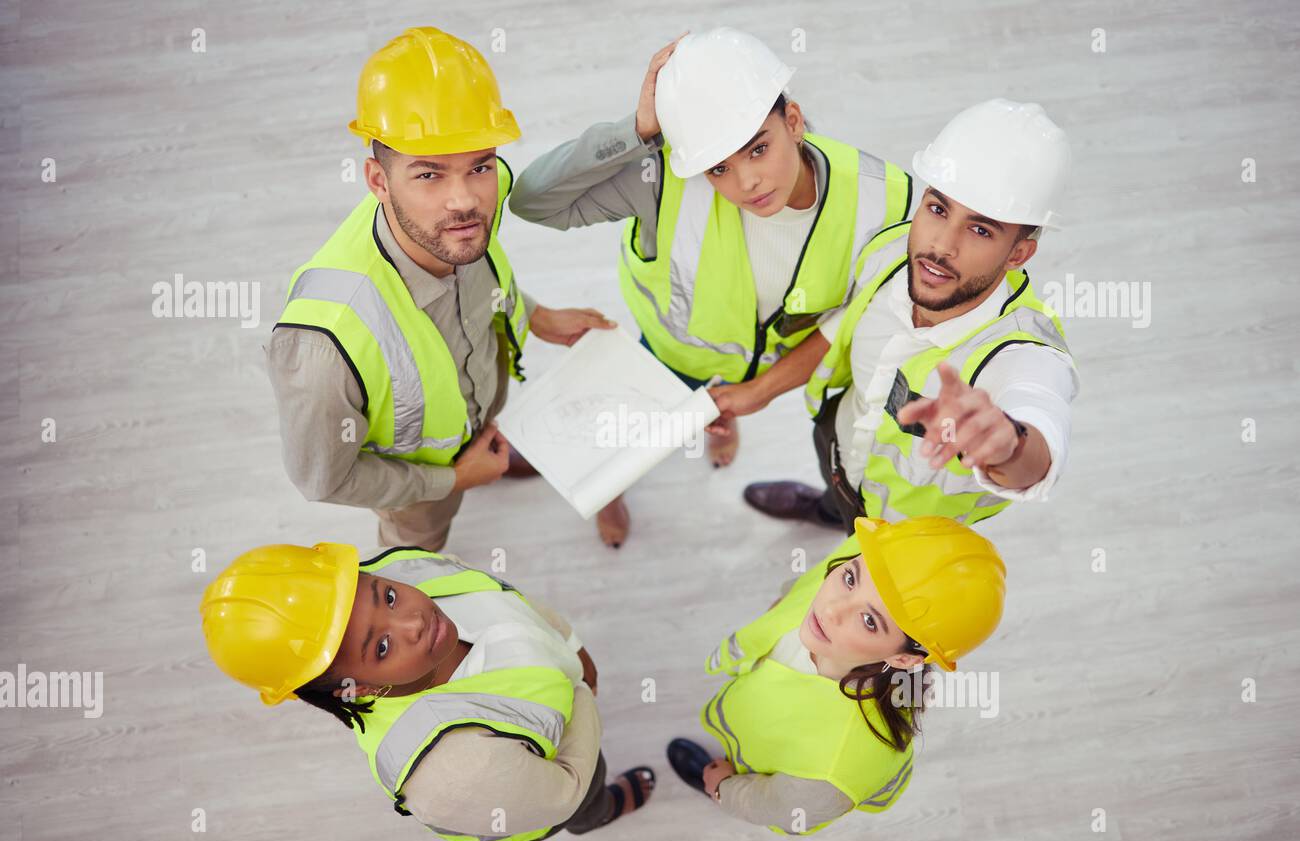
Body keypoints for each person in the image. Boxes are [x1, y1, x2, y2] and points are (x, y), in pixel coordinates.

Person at [509, 28, 913, 546]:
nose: (746, 183)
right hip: (668, 353)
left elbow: (853, 320)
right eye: (719, 166)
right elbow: (531, 201)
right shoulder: (663, 181)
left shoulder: (885, 201)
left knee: (717, 407)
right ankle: (610, 492)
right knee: (620, 444)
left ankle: (716, 415)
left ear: (793, 121)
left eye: (757, 149)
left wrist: (756, 392)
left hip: (763, 364)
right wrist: (634, 131)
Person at [267, 27, 616, 555]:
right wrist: (451, 482)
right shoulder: (323, 348)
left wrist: (535, 315)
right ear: (378, 182)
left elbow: (485, 279)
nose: (464, 201)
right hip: (418, 489)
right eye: (429, 174)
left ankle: (493, 452)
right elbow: (325, 479)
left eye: (479, 165)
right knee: (419, 555)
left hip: (478, 411)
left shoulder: (465, 215)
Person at [712, 99, 1080, 531]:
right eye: (938, 209)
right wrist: (760, 391)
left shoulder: (1021, 353)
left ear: (1019, 252)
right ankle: (829, 508)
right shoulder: (890, 250)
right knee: (836, 492)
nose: (941, 246)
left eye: (980, 230)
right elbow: (844, 325)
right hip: (841, 443)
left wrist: (1008, 447)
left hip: (902, 539)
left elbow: (1038, 420)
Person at [199, 542, 655, 841]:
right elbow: (565, 790)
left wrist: (570, 644)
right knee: (588, 794)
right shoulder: (453, 774)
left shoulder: (404, 567)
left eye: (389, 599)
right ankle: (600, 813)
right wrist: (579, 688)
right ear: (355, 688)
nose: (414, 621)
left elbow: (505, 597)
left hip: (558, 708)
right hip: (554, 786)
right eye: (380, 647)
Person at [668, 514, 1005, 835]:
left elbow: (779, 806)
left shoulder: (838, 768)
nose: (830, 608)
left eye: (870, 621)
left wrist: (725, 789)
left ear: (903, 659)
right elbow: (805, 586)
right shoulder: (859, 563)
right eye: (849, 578)